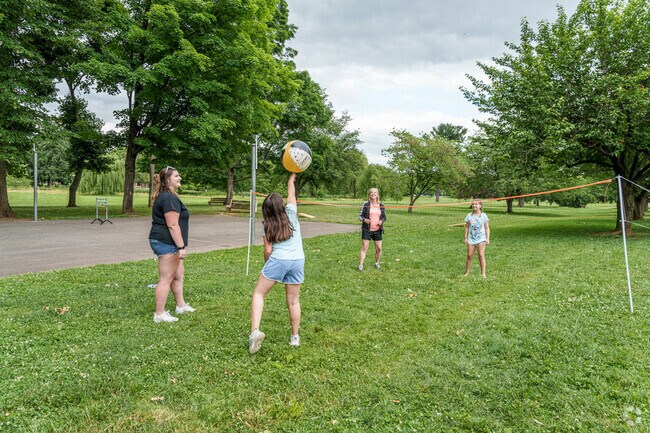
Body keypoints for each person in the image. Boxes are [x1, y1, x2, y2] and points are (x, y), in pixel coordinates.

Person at [249, 173, 304, 354]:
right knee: (294, 301)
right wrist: (291, 180)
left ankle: (255, 332)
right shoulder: (291, 213)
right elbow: (291, 195)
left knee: (259, 293)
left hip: (278, 260)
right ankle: (294, 337)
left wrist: (268, 266)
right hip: (297, 260)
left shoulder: (267, 224)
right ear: (282, 205)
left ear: (266, 209)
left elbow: (267, 251)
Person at [148, 166, 195, 323]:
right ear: (168, 180)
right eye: (176, 175)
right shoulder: (169, 198)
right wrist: (181, 247)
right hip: (167, 242)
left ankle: (180, 306)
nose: (179, 178)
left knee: (178, 275)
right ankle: (159, 314)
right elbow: (172, 225)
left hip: (167, 241)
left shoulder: (167, 196)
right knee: (166, 278)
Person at [358, 187, 386, 271]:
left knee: (379, 248)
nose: (373, 194)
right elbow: (360, 216)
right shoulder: (366, 204)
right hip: (367, 229)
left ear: (377, 194)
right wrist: (364, 220)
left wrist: (381, 221)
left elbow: (384, 217)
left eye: (375, 192)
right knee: (364, 247)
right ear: (369, 194)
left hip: (377, 230)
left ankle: (377, 263)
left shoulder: (381, 205)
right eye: (371, 192)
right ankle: (361, 265)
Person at [464, 199, 490, 278]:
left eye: (476, 204)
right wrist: (465, 238)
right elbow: (467, 228)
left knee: (481, 255)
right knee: (469, 255)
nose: (474, 205)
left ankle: (483, 274)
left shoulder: (484, 216)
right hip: (471, 238)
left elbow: (487, 228)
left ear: (480, 206)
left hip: (481, 238)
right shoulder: (469, 216)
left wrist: (487, 238)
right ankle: (467, 272)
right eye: (473, 204)